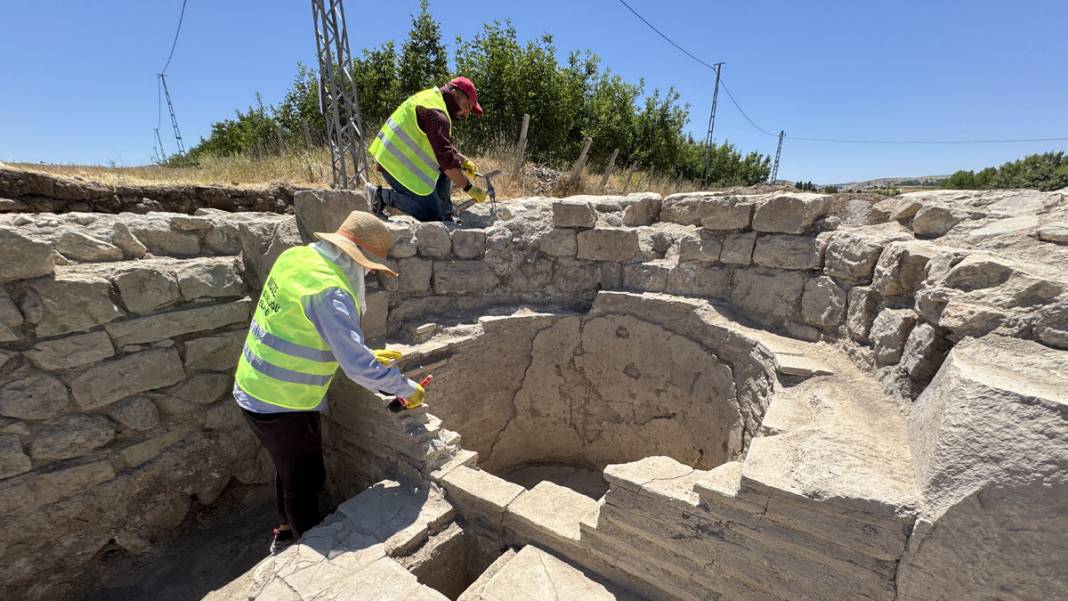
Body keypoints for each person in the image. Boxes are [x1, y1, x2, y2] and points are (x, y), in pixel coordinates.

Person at [232, 210, 426, 555]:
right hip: (281, 399)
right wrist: (406, 389)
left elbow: (298, 323)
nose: (366, 272)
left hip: (255, 382)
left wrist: (358, 351)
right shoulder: (331, 291)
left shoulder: (297, 257)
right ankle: (307, 543)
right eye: (366, 265)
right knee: (305, 478)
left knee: (289, 466)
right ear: (356, 259)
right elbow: (357, 369)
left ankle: (284, 527)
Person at [366, 76, 488, 223]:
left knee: (444, 174)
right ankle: (380, 196)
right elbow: (448, 163)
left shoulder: (434, 99)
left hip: (402, 159)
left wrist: (464, 161)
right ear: (455, 93)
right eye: (467, 107)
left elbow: (442, 146)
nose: (466, 115)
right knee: (430, 213)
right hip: (394, 164)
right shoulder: (436, 115)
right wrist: (469, 188)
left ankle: (446, 216)